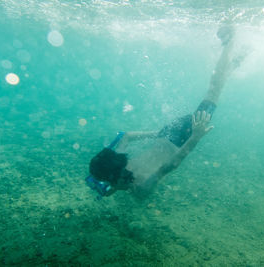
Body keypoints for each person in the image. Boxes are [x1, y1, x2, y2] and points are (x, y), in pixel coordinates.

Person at [86, 25, 237, 199]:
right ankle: (232, 65)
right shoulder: (121, 166)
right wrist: (158, 133)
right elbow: (125, 136)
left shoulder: (139, 186)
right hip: (171, 136)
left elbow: (171, 165)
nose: (106, 185)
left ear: (115, 177)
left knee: (213, 91)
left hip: (184, 137)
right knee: (214, 90)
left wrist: (195, 136)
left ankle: (230, 42)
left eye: (107, 181)